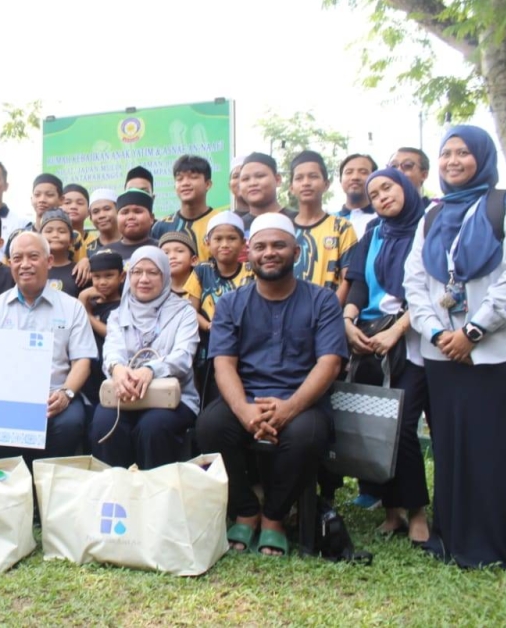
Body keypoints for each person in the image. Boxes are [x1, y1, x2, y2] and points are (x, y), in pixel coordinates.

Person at [197, 213, 346, 556]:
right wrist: (245, 410)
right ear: (248, 254)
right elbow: (224, 363)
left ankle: (275, 517)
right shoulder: (232, 303)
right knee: (210, 426)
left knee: (305, 435)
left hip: (303, 401)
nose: (269, 253)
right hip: (245, 398)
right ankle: (247, 512)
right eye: (261, 246)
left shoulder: (322, 300)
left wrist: (290, 407)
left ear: (296, 253)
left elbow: (330, 362)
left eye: (279, 245)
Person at [403, 125, 506, 569]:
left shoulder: (505, 206)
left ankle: (496, 542)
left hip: (494, 351)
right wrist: (437, 335)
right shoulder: (432, 216)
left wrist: (471, 332)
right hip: (442, 355)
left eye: (463, 153)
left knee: (496, 448)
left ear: (483, 158)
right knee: (452, 448)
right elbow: (416, 282)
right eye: (447, 153)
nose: (453, 161)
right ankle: (453, 537)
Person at [344, 168, 430, 545]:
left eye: (388, 188)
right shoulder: (373, 233)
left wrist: (398, 330)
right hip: (368, 337)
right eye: (374, 194)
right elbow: (359, 283)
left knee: (402, 425)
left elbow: (431, 288)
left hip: (410, 341)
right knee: (372, 425)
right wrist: (348, 321)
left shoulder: (428, 227)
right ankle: (390, 511)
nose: (381, 197)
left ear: (406, 188)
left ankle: (417, 512)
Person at [0, 232, 96, 461]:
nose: (25, 265)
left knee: (70, 423)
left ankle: (48, 488)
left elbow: (82, 361)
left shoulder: (71, 308)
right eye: (17, 258)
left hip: (56, 394)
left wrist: (65, 393)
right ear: (9, 263)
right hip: (8, 395)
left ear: (49, 261)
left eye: (33, 256)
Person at [91, 246, 201, 470]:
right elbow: (112, 350)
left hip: (172, 397)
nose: (144, 279)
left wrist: (150, 370)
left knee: (153, 427)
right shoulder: (118, 314)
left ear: (165, 276)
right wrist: (117, 369)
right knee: (104, 423)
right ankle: (117, 495)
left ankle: (155, 497)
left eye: (153, 272)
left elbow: (183, 356)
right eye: (137, 271)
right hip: (124, 396)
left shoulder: (184, 312)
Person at [184, 211, 254, 400]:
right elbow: (190, 309)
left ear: (243, 243)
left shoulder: (251, 271)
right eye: (218, 239)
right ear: (208, 242)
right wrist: (209, 326)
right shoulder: (201, 271)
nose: (224, 244)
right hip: (209, 340)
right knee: (209, 390)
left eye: (232, 238)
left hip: (245, 340)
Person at [289, 151, 358, 305]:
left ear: (326, 184)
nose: (306, 182)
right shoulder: (283, 229)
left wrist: (328, 314)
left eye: (313, 176)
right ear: (291, 187)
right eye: (299, 178)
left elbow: (348, 279)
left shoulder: (341, 227)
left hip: (327, 317)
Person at [79, 250, 125, 407]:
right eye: (97, 277)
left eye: (109, 276)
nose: (102, 282)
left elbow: (111, 333)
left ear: (122, 277)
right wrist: (83, 300)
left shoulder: (125, 306)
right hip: (87, 378)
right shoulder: (91, 303)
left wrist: (88, 316)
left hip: (112, 376)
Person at [151, 155, 217, 262]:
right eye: (179, 179)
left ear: (208, 184)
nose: (185, 183)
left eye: (193, 177)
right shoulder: (161, 227)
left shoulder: (219, 222)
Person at [238, 152, 297, 231]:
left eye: (260, 176)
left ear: (277, 179)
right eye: (245, 179)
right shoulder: (237, 228)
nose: (252, 183)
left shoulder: (298, 222)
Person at [106, 188, 158, 263]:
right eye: (125, 212)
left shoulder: (163, 248)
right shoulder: (107, 252)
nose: (131, 217)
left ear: (151, 218)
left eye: (138, 211)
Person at [335, 153, 379, 238]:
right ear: (340, 180)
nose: (355, 177)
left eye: (363, 172)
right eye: (349, 172)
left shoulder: (384, 221)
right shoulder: (327, 221)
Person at [41, 209, 83, 295]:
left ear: (71, 240)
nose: (55, 235)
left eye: (62, 231)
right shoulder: (35, 269)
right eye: (49, 231)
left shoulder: (79, 271)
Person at [62, 184, 96, 261]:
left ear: (88, 212)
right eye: (67, 203)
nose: (73, 206)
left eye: (80, 203)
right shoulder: (52, 241)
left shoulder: (96, 243)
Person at [159, 231, 198, 297]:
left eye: (179, 251)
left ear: (193, 260)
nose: (172, 256)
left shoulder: (202, 287)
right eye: (166, 253)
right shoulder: (157, 290)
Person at [85, 188, 121, 256]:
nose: (102, 215)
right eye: (96, 212)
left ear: (118, 210)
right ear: (90, 217)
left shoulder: (132, 242)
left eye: (107, 209)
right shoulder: (88, 250)